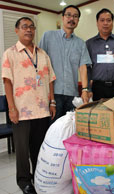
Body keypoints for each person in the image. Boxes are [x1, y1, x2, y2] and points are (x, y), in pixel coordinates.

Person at [1, 17, 56, 194]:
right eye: (24, 27)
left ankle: (38, 176)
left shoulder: (42, 53)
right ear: (17, 30)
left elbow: (50, 80)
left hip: (42, 109)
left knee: (38, 148)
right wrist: (11, 108)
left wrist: (52, 101)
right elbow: (7, 82)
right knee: (22, 150)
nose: (29, 30)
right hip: (21, 111)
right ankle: (24, 181)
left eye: (32, 27)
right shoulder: (10, 53)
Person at [39, 5, 91, 123]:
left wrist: (84, 89)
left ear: (78, 20)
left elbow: (83, 68)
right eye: (68, 15)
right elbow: (40, 63)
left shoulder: (81, 43)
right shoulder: (48, 36)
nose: (71, 18)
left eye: (75, 16)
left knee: (69, 129)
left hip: (71, 94)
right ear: (62, 17)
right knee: (52, 129)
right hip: (52, 94)